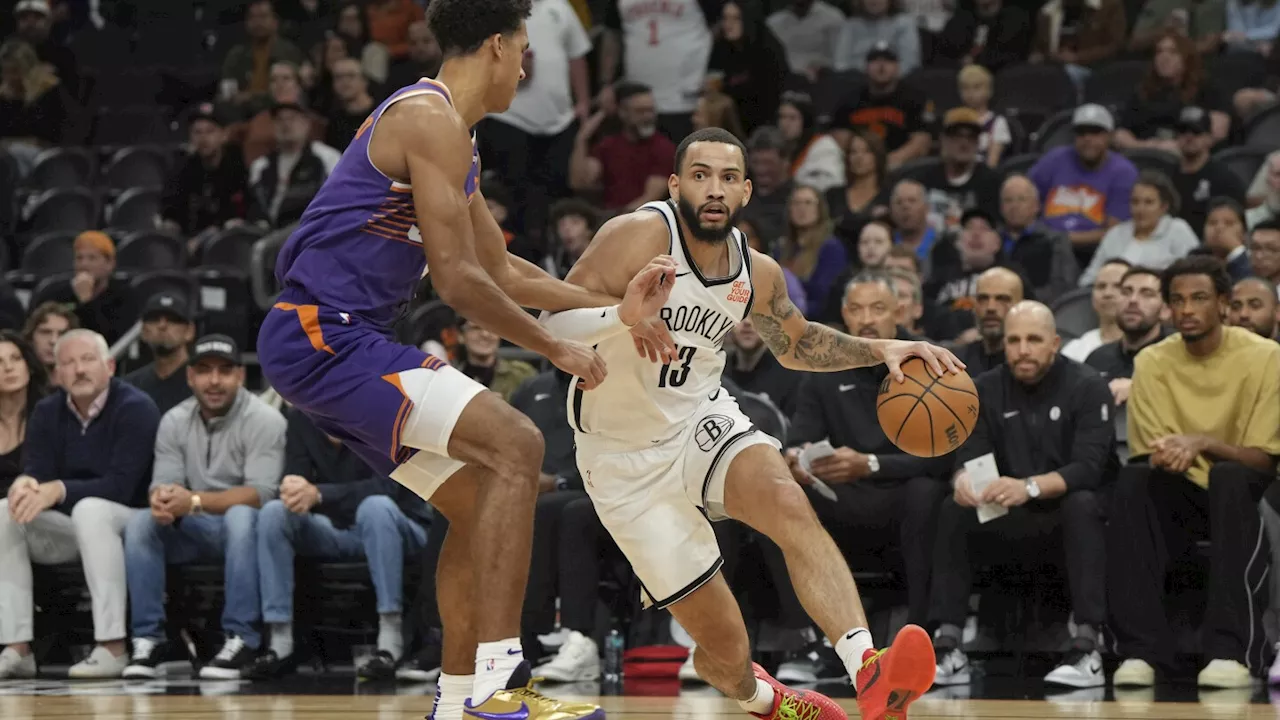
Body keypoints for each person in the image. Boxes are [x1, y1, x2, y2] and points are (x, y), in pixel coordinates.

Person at [256, 2, 672, 718]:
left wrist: (612, 315)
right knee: (519, 443)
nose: (526, 64)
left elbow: (502, 270)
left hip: (339, 339)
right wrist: (553, 347)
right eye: (523, 49)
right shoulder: (429, 119)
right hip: (324, 334)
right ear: (493, 46)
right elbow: (455, 281)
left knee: (480, 501)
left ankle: (455, 702)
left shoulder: (456, 136)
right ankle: (500, 683)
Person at [545, 127, 965, 720]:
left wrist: (883, 349)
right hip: (620, 459)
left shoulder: (757, 271)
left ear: (744, 191)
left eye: (726, 178)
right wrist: (621, 318)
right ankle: (765, 700)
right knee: (725, 653)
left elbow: (796, 344)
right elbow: (548, 321)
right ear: (675, 184)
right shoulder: (638, 235)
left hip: (699, 421)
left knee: (785, 500)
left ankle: (869, 671)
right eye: (699, 175)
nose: (713, 189)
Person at [1109, 256, 1280, 689]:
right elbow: (1156, 452)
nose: (1186, 309)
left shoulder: (1266, 357)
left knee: (1229, 477)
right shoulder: (1151, 362)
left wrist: (1202, 442)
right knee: (1133, 480)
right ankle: (1141, 652)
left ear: (1223, 303)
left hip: (1247, 493)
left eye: (1199, 298)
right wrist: (1174, 453)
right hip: (1184, 490)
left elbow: (1263, 459)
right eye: (1177, 300)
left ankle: (1232, 653)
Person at [931, 302, 1115, 689]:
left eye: (1034, 340)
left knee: (1082, 503)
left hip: (1065, 518)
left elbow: (1088, 468)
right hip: (1006, 515)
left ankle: (1087, 647)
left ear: (1055, 343)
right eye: (1014, 340)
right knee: (953, 507)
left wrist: (1028, 486)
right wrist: (964, 480)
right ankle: (948, 644)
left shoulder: (1087, 385)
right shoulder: (984, 388)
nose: (1023, 349)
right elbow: (968, 456)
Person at [0, 330, 158, 679]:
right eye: (68, 363)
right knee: (3, 511)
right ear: (57, 374)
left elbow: (120, 486)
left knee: (92, 508)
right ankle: (17, 648)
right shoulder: (47, 410)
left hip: (133, 522)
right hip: (78, 527)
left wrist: (55, 490)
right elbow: (38, 470)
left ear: (110, 366)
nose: (78, 370)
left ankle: (112, 646)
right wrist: (27, 484)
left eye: (87, 360)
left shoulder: (136, 407)